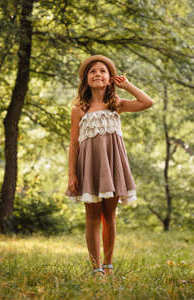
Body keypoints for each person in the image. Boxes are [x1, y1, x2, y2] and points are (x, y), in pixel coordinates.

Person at [65, 55, 153, 276]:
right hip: (89, 167)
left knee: (109, 215)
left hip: (113, 166)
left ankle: (109, 265)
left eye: (103, 71)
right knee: (92, 216)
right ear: (86, 78)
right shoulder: (79, 109)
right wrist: (72, 176)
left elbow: (147, 102)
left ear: (109, 78)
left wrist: (127, 85)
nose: (98, 74)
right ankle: (96, 269)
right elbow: (73, 145)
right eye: (92, 71)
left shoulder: (117, 105)